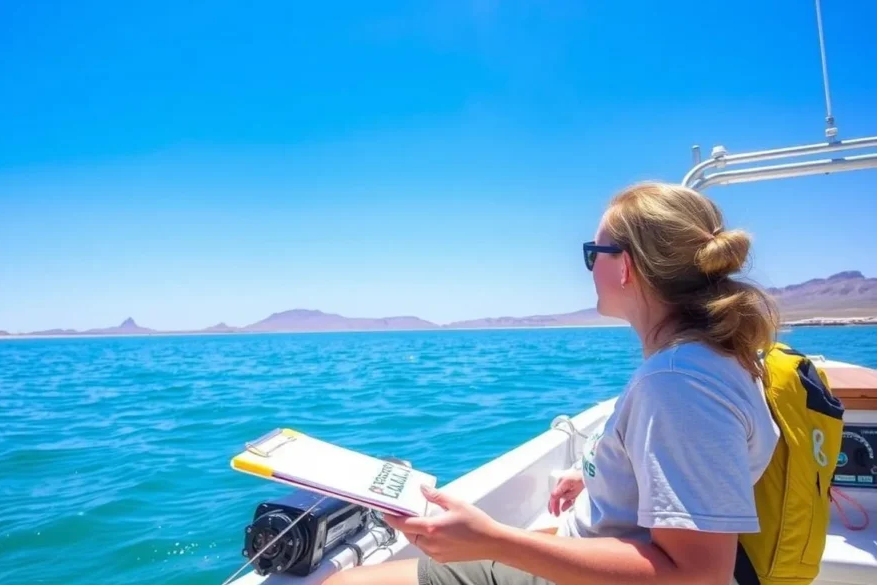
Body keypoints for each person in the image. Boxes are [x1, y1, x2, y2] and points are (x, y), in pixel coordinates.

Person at [323, 182, 781, 585]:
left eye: (592, 254)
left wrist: (492, 540)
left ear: (624, 267)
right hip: (595, 543)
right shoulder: (717, 357)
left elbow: (699, 576)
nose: (589, 267)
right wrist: (602, 475)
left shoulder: (678, 385)